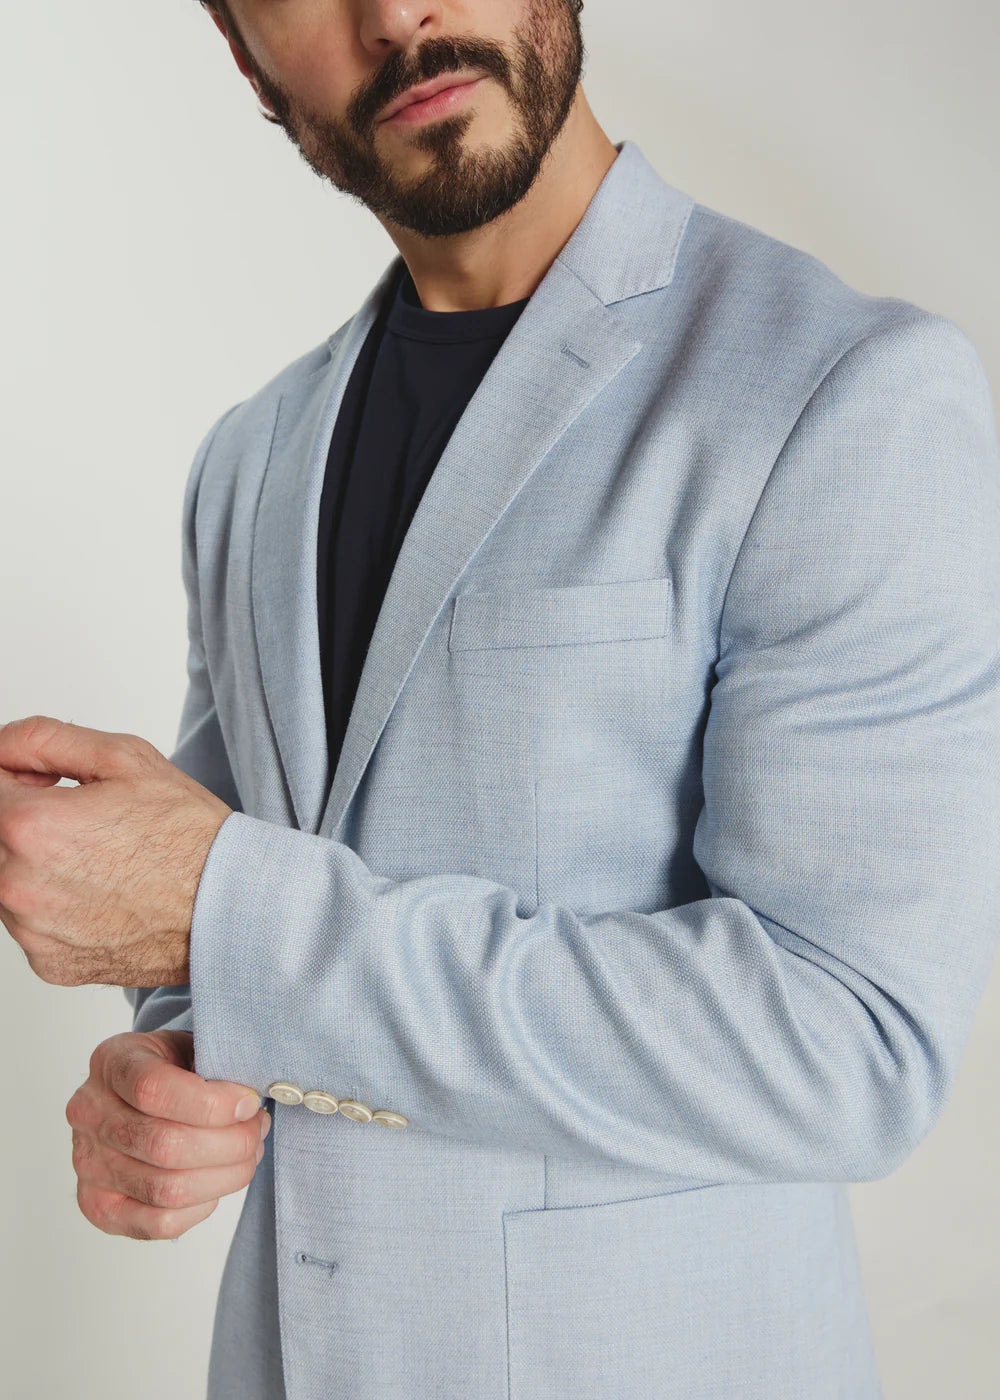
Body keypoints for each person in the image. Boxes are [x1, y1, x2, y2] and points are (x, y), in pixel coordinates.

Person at [1, 1, 997, 1396]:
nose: (394, 14)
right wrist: (163, 1073)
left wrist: (234, 916)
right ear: (245, 59)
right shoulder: (249, 461)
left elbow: (847, 1045)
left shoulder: (844, 394)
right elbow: (211, 911)